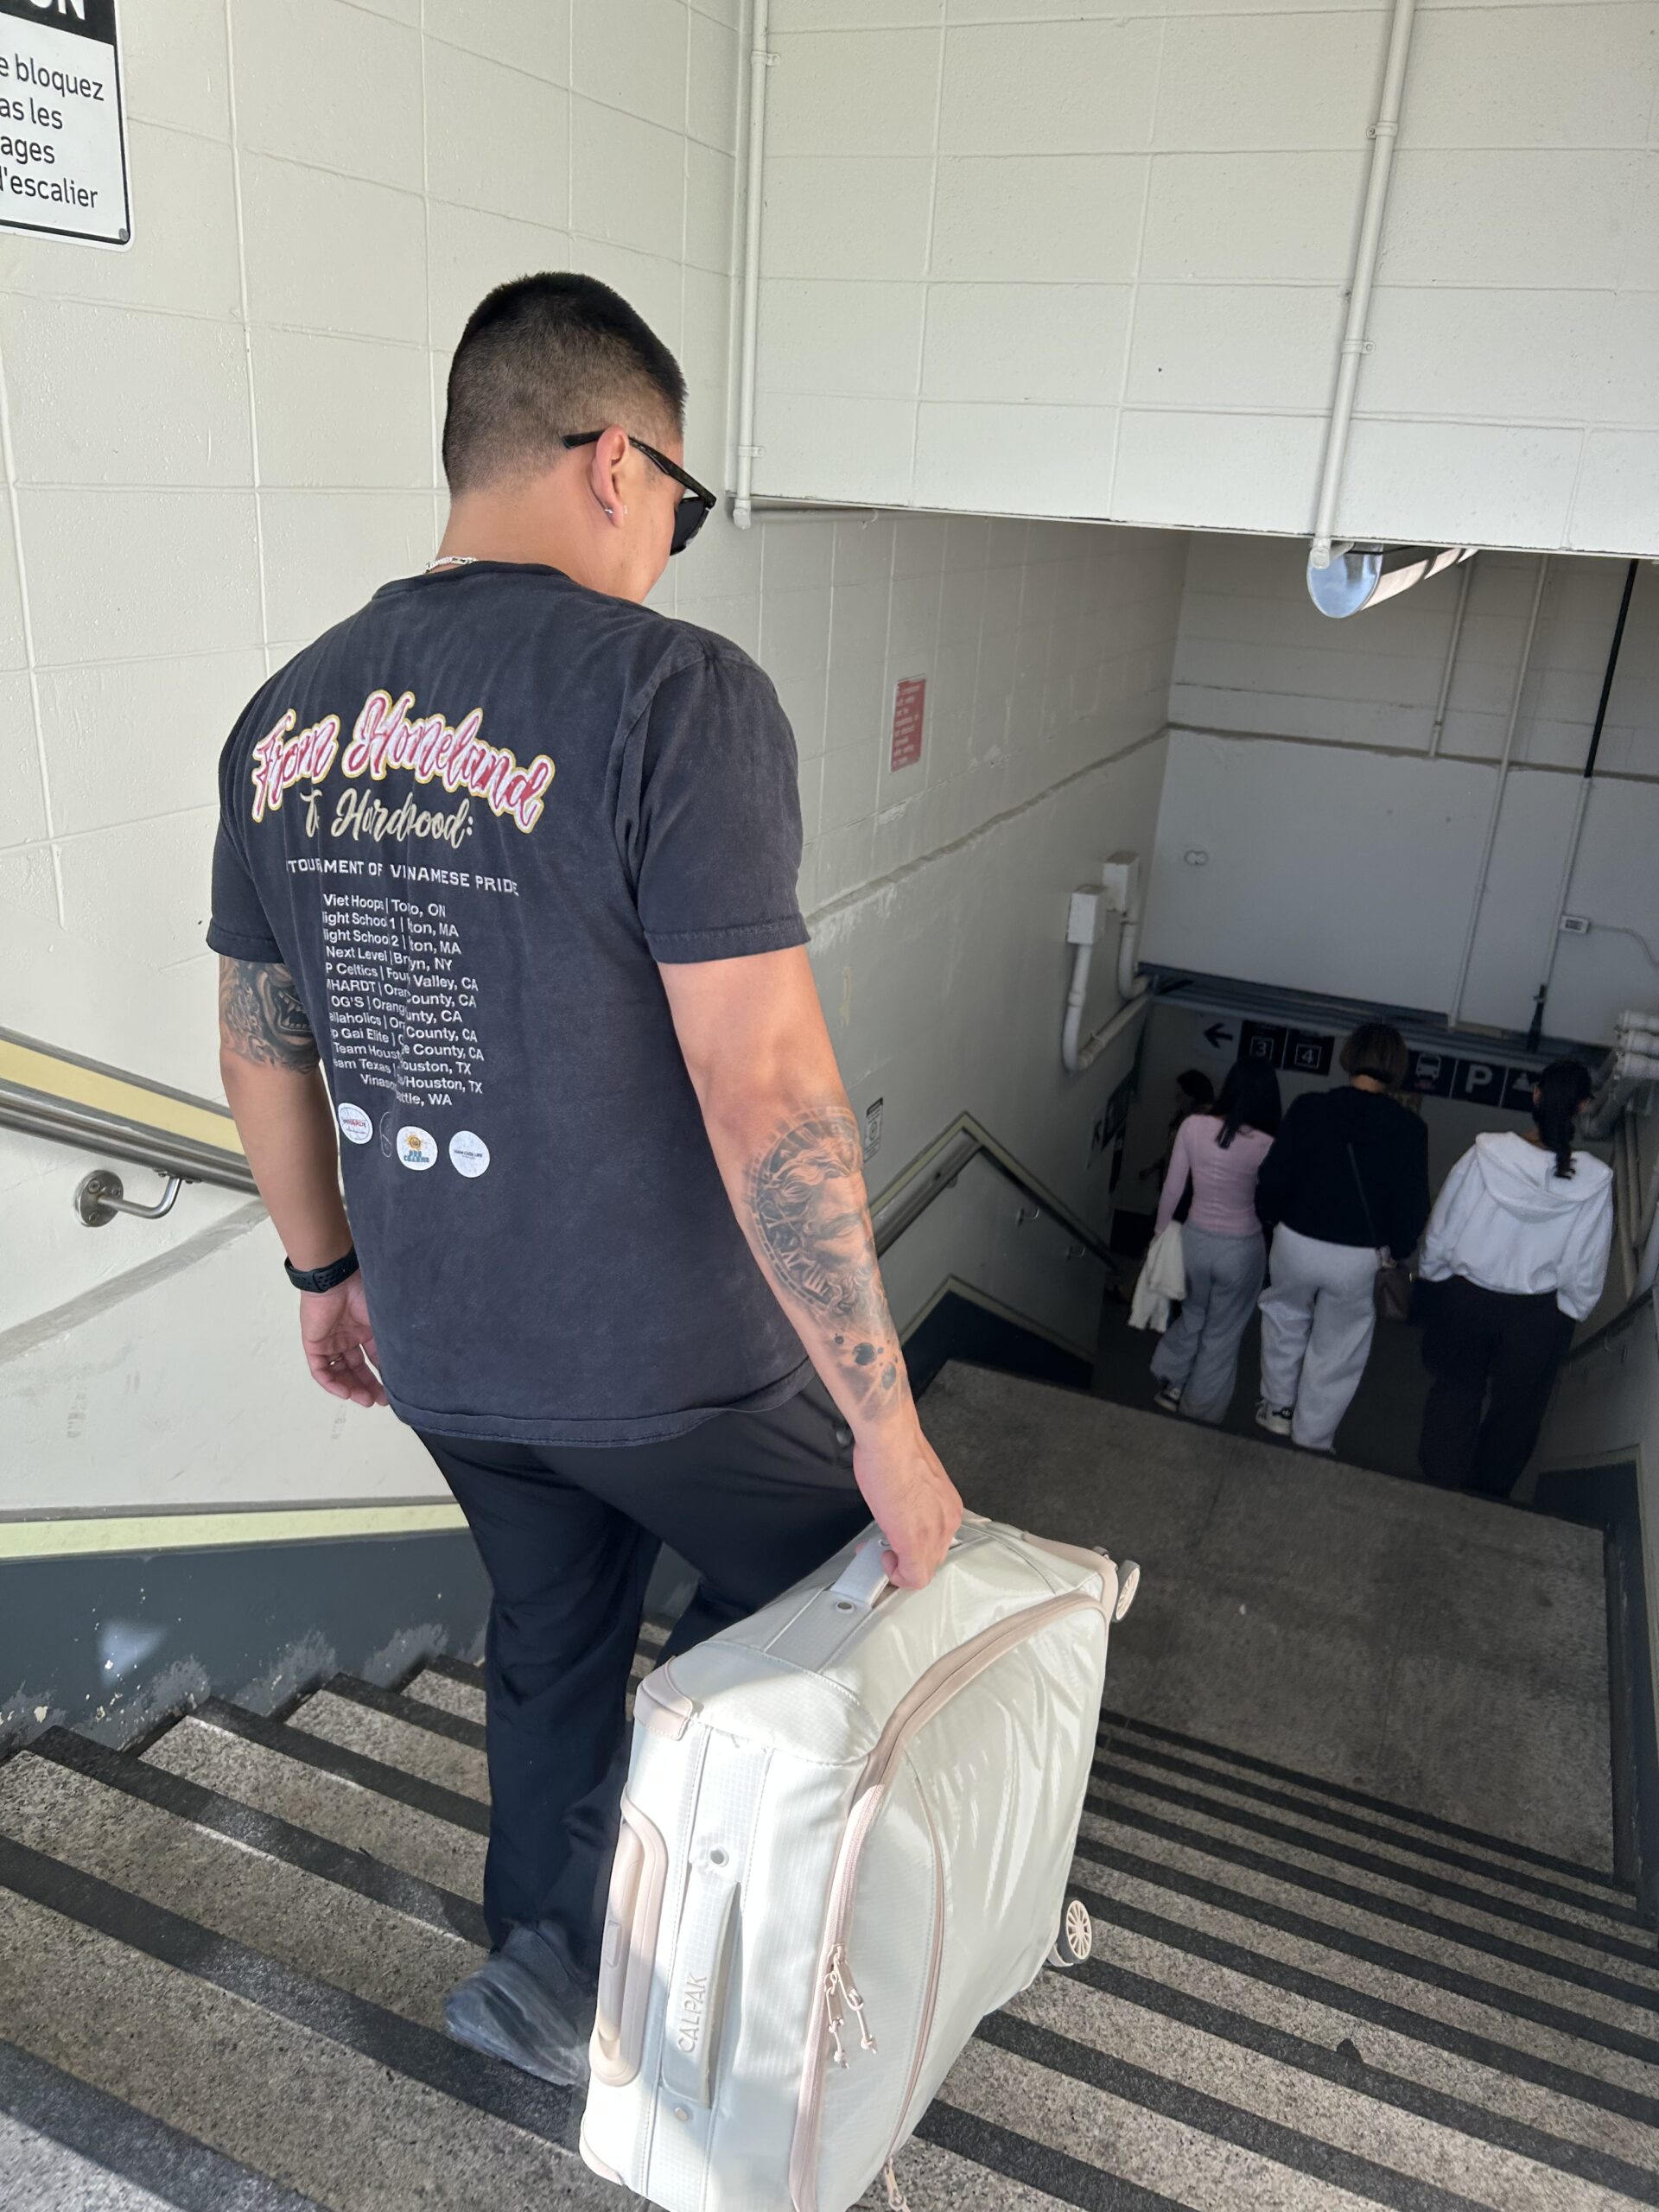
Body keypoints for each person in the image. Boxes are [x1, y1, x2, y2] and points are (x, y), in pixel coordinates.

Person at [207, 274, 963, 2088]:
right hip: (671, 1365)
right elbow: (765, 1077)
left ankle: (548, 1964)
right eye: (684, 504)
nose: (675, 545)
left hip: (452, 1355)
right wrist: (884, 1409)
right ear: (617, 461)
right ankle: (734, 1954)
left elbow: (261, 1039)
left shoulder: (283, 719)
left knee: (551, 1635)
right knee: (855, 1563)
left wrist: (326, 1276)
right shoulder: (674, 694)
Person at [1417, 1059, 1612, 1497]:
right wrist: (1573, 1309)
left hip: (1466, 1299)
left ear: (1536, 1095)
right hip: (1537, 1315)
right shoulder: (1593, 1183)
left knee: (1456, 1389)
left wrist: (1431, 1272)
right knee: (1518, 1411)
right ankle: (1486, 1495)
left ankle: (1437, 1481)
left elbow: (1446, 1223)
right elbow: (1586, 1260)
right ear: (1582, 1106)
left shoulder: (1486, 1155)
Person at [1253, 1023, 1430, 1453]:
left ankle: (1277, 1409)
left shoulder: (1310, 1107)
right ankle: (1312, 1436)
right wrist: (1398, 1249)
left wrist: (1271, 1219)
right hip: (1360, 1257)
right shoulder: (1409, 1129)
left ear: (1350, 1055)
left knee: (1284, 1316)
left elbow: (1274, 1175)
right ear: (1397, 1066)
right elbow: (1413, 1205)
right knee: (1339, 1345)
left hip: (1297, 1239)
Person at [1149, 1058, 1281, 1423]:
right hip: (1241, 1249)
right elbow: (1272, 1204)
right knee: (1222, 1334)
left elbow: (1173, 1188)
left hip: (1195, 1241)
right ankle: (1199, 1411)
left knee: (1193, 1314)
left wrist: (1161, 1236)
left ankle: (1173, 1382)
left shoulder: (1192, 1126)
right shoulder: (1268, 1145)